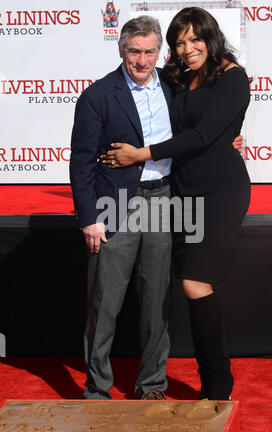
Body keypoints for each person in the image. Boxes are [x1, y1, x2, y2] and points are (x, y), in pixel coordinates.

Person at [102, 7, 251, 400]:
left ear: (210, 36)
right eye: (179, 43)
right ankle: (212, 379)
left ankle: (218, 382)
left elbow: (202, 136)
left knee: (195, 281)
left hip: (220, 191)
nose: (186, 49)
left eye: (194, 39)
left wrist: (140, 155)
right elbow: (143, 93)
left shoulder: (234, 78)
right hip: (182, 191)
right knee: (189, 282)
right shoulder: (178, 77)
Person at [70, 16, 173, 400]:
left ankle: (151, 386)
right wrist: (90, 218)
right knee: (105, 301)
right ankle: (97, 388)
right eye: (135, 51)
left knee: (157, 300)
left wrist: (231, 139)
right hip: (113, 204)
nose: (143, 60)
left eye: (149, 52)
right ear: (121, 50)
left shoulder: (176, 89)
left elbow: (197, 133)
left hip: (163, 200)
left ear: (159, 51)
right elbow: (81, 161)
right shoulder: (98, 95)